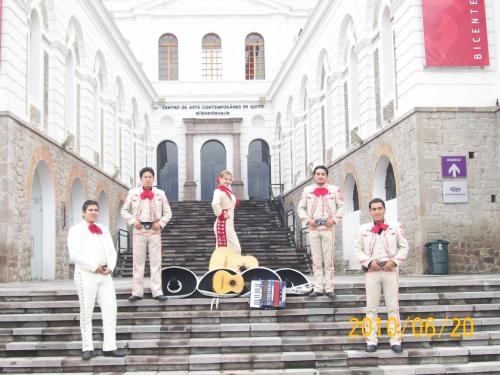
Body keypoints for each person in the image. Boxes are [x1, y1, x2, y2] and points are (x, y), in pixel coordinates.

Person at [67, 200, 125, 360]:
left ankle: (110, 346)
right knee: (86, 311)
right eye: (90, 209)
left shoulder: (104, 230)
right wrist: (94, 266)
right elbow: (75, 254)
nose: (93, 212)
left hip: (105, 275)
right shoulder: (76, 230)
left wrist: (110, 267)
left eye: (96, 210)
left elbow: (112, 252)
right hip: (86, 274)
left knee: (110, 310)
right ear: (84, 212)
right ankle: (87, 347)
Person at [354, 197, 409, 354]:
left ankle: (395, 340)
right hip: (372, 272)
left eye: (380, 208)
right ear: (370, 211)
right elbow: (358, 250)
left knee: (393, 306)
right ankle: (371, 340)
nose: (377, 211)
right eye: (374, 209)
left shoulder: (395, 226)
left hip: (390, 270)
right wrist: (368, 262)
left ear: (384, 210)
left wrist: (395, 261)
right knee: (371, 307)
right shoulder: (363, 229)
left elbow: (404, 247)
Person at [121, 167, 172, 302]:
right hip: (139, 230)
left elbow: (168, 213)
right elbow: (124, 210)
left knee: (156, 261)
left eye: (150, 177)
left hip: (154, 230)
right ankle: (137, 292)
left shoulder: (160, 193)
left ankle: (157, 291)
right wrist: (133, 221)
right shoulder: (133, 193)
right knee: (138, 262)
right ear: (141, 178)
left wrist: (160, 224)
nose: (148, 179)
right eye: (145, 177)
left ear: (153, 178)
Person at [297, 165, 345, 299]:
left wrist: (334, 220)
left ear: (327, 176)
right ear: (314, 176)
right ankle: (318, 287)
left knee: (328, 260)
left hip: (328, 229)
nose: (320, 176)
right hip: (313, 229)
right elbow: (300, 208)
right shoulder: (307, 190)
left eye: (323, 174)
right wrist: (307, 220)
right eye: (318, 174)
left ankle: (329, 288)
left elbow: (341, 207)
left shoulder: (334, 190)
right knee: (316, 260)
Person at [211, 170, 241, 252]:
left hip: (229, 223)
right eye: (225, 179)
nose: (228, 181)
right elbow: (215, 204)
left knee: (227, 249)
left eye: (230, 179)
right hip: (223, 223)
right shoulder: (218, 191)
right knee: (235, 249)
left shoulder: (228, 191)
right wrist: (221, 214)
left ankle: (226, 265)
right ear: (220, 179)